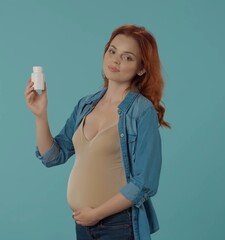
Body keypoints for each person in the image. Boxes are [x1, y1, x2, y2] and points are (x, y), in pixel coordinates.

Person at [25, 24, 170, 240]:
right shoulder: (86, 104)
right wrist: (40, 115)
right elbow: (53, 156)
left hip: (118, 226)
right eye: (112, 51)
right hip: (83, 224)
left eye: (127, 57)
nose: (116, 60)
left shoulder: (142, 111)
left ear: (141, 68)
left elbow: (144, 182)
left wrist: (96, 214)